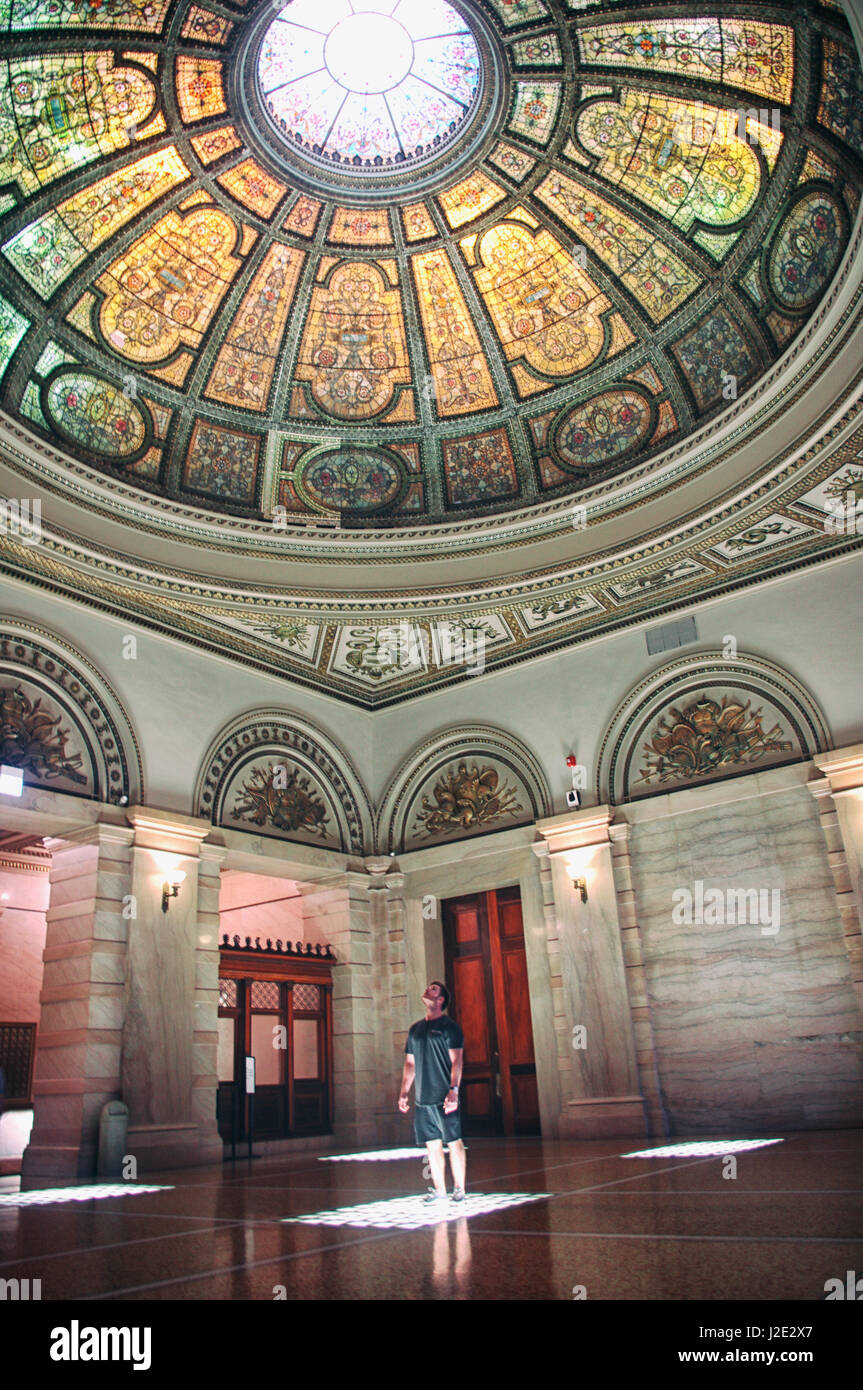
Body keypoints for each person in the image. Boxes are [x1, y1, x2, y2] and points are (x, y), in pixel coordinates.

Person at [398, 980, 466, 1204]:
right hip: (422, 1098)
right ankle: (439, 1190)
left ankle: (459, 1188)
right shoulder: (415, 1029)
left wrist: (453, 1089)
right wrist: (404, 1091)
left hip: (444, 1096)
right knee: (432, 1144)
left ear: (441, 1000)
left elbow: (456, 1060)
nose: (427, 990)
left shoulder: (450, 1028)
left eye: (433, 989)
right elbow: (410, 1064)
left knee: (453, 1141)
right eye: (427, 987)